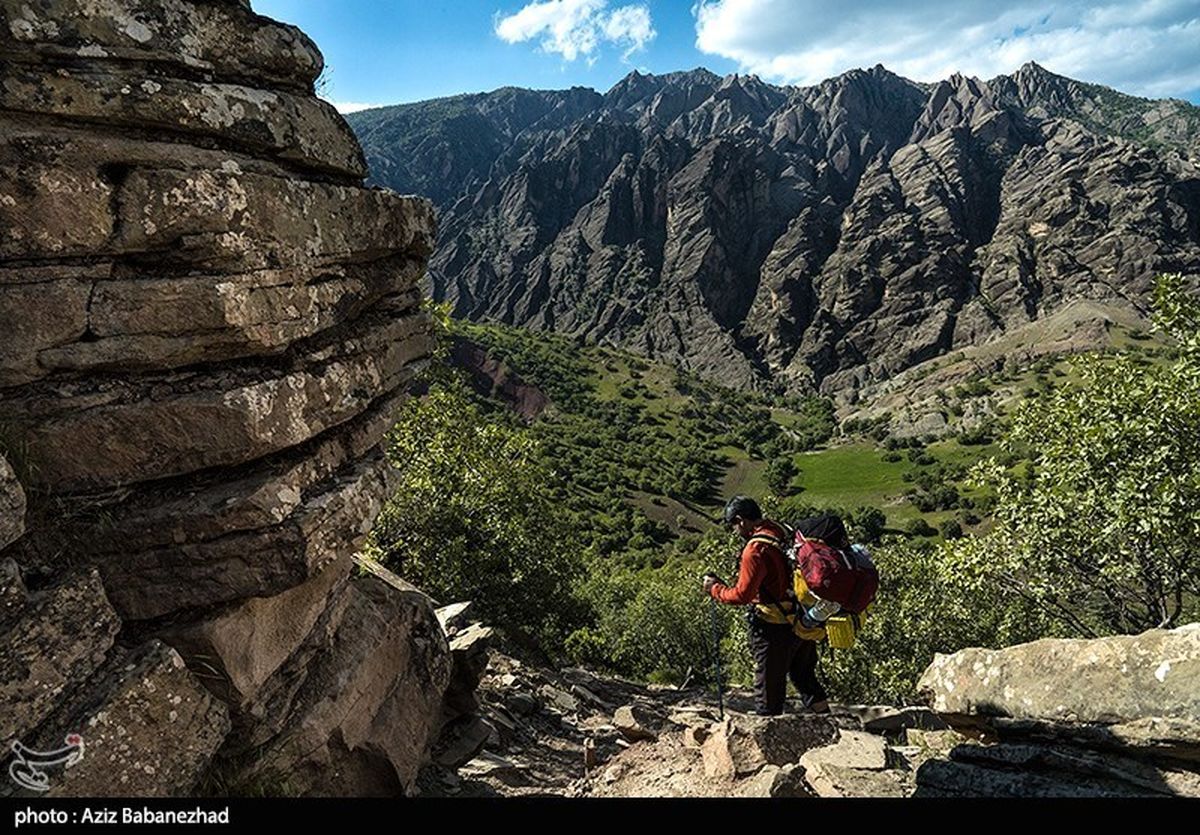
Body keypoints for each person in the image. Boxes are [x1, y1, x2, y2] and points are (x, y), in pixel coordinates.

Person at [702, 495, 830, 716]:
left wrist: (716, 589)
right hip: (802, 620)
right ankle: (830, 726)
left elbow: (742, 595)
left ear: (741, 520)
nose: (735, 531)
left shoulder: (755, 549)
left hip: (773, 626)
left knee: (768, 685)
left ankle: (766, 737)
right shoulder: (780, 531)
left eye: (734, 525)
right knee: (804, 676)